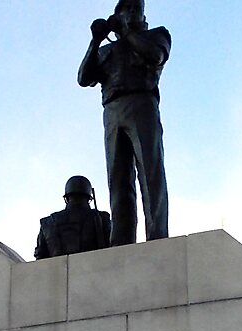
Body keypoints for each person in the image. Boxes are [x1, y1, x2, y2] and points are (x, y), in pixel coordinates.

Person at [78, 0, 171, 245]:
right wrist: (96, 41)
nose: (131, 13)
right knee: (118, 179)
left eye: (135, 8)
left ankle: (158, 237)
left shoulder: (156, 35)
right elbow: (84, 78)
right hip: (112, 110)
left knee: (150, 173)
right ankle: (121, 241)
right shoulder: (107, 50)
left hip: (142, 103)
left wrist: (127, 32)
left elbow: (155, 55)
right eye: (126, 9)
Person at [35, 176, 111, 259]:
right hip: (96, 265)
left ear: (66, 198)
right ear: (89, 198)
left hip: (56, 267)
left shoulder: (47, 223)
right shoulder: (102, 218)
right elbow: (113, 247)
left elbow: (40, 256)